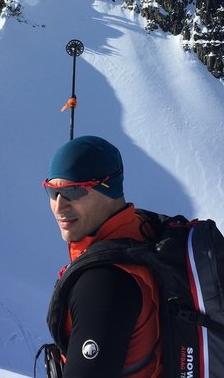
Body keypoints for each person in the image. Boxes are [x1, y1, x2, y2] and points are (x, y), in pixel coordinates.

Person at [43, 135, 162, 378]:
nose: (58, 206)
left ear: (109, 189)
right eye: (52, 192)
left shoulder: (105, 282)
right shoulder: (143, 232)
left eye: (73, 191)